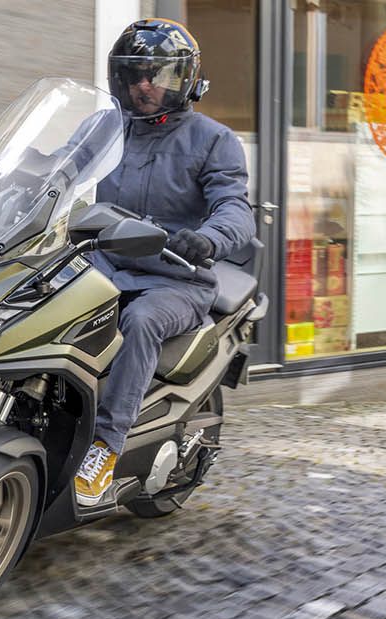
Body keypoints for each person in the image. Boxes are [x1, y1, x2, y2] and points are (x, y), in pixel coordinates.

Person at [75, 18, 255, 506]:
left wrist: (209, 239)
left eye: (157, 75)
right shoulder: (107, 129)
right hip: (106, 264)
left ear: (185, 79)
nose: (144, 85)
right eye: (134, 75)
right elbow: (58, 168)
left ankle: (105, 446)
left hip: (176, 278)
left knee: (140, 322)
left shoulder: (213, 140)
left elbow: (235, 208)